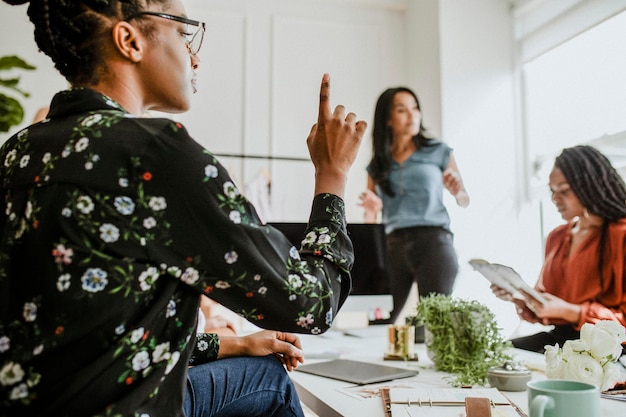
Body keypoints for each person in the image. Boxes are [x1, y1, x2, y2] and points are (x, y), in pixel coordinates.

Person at [0, 1, 367, 416]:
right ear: (129, 41)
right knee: (272, 379)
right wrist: (332, 176)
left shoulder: (18, 151)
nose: (194, 56)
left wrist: (235, 343)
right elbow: (311, 303)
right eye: (184, 32)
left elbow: (93, 331)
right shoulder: (156, 155)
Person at [491, 145, 626, 353]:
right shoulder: (557, 237)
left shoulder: (621, 234)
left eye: (564, 191)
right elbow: (549, 304)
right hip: (562, 338)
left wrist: (572, 312)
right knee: (496, 354)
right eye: (552, 191)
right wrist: (523, 300)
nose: (555, 199)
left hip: (611, 346)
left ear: (591, 186)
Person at [359, 87, 469, 324]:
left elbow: (463, 199)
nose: (413, 116)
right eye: (402, 110)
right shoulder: (378, 165)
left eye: (415, 108)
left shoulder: (437, 150)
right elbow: (370, 222)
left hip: (433, 243)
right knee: (380, 322)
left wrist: (457, 189)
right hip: (392, 246)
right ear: (388, 119)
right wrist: (373, 208)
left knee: (434, 323)